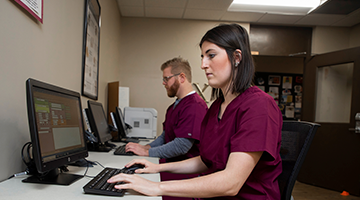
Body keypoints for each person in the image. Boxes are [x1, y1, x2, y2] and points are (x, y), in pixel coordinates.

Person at [108, 24, 283, 199]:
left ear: (236, 57)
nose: (203, 65)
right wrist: (157, 167)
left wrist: (157, 187)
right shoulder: (216, 107)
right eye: (202, 57)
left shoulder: (259, 106)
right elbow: (206, 161)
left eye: (211, 55)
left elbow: (231, 183)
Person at [125, 57, 208, 200]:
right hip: (170, 166)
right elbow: (165, 136)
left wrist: (147, 153)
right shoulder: (174, 106)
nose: (163, 83)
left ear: (181, 77)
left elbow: (181, 146)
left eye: (166, 79)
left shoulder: (195, 106)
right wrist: (145, 147)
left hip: (185, 176)